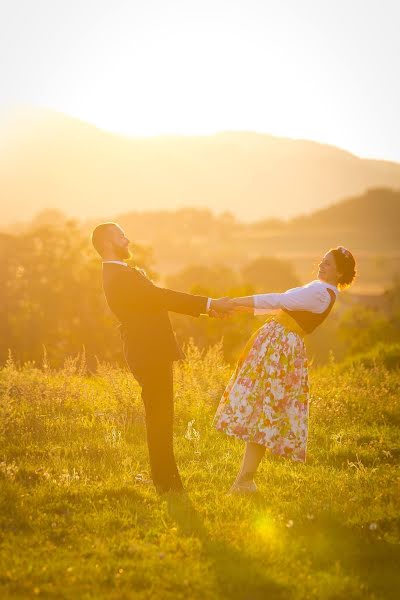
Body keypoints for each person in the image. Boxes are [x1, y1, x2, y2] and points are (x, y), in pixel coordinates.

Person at [91, 222, 232, 494]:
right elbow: (160, 297)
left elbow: (155, 300)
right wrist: (209, 304)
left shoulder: (120, 273)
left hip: (149, 350)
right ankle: (167, 484)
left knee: (161, 416)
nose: (127, 240)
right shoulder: (118, 275)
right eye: (121, 236)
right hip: (148, 352)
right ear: (107, 244)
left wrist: (208, 308)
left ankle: (166, 481)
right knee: (159, 416)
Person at [213, 246, 356, 493]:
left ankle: (245, 481)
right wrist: (237, 308)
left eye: (328, 264)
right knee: (261, 410)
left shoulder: (321, 293)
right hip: (278, 344)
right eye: (322, 261)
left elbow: (279, 300)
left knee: (264, 410)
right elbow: (277, 306)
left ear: (340, 274)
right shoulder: (319, 288)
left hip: (280, 347)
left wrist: (235, 301)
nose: (321, 265)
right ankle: (245, 481)